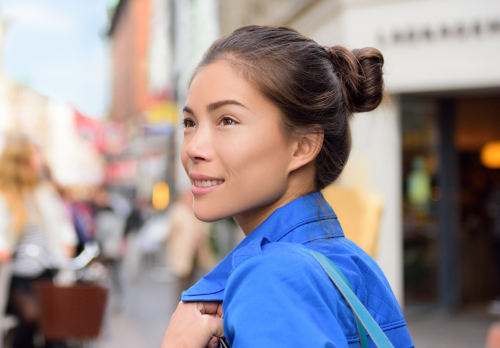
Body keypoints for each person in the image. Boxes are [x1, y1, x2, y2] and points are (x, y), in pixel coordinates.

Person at [160, 26, 414, 347]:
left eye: (227, 120)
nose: (194, 147)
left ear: (302, 146)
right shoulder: (351, 260)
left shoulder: (274, 277)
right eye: (189, 123)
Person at [0, 135, 77, 348]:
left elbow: (61, 223)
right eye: (35, 154)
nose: (40, 159)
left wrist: (67, 242)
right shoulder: (0, 195)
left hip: (47, 270)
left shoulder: (43, 191)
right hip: (17, 277)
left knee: (56, 329)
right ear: (22, 160)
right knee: (31, 316)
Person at [165, 190, 213, 303]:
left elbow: (204, 229)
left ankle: (191, 304)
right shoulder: (177, 211)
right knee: (182, 281)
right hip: (182, 252)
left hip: (196, 251)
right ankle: (179, 305)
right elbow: (171, 233)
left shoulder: (196, 210)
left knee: (195, 279)